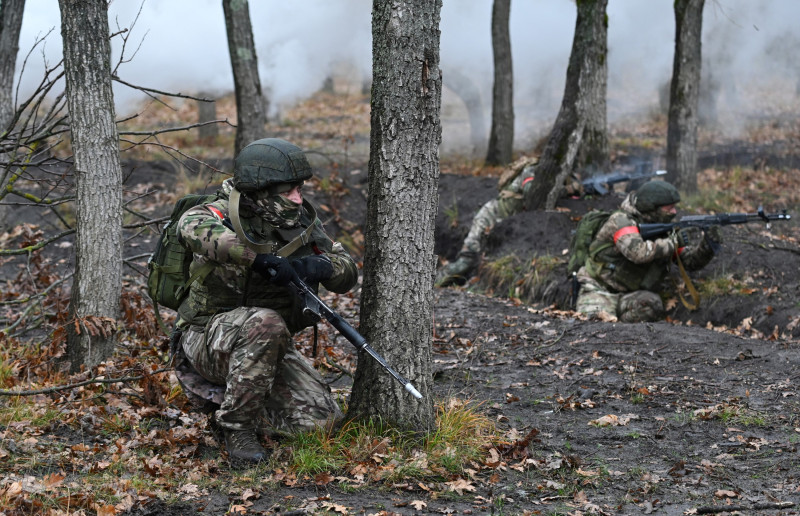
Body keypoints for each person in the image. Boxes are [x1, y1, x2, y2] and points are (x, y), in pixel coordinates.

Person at [171, 138, 359, 465]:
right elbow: (192, 227)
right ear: (261, 191)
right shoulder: (221, 211)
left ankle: (244, 403)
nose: (298, 198)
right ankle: (236, 427)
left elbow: (347, 271)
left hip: (267, 347)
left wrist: (322, 266)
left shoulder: (301, 224)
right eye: (289, 192)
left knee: (321, 424)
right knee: (267, 322)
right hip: (205, 339)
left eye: (299, 189)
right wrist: (256, 259)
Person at [574, 180, 720, 322]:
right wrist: (673, 242)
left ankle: (622, 328)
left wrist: (708, 245)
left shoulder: (664, 228)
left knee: (652, 305)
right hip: (599, 290)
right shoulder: (621, 221)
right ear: (651, 207)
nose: (674, 212)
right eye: (669, 208)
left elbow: (689, 262)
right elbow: (638, 253)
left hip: (630, 296)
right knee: (594, 325)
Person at [435, 157, 581, 287]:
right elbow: (531, 191)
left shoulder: (560, 176)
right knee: (467, 258)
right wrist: (566, 190)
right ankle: (435, 281)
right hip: (491, 214)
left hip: (507, 222)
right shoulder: (532, 171)